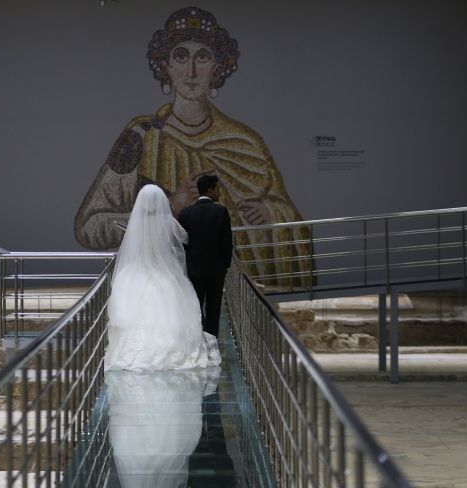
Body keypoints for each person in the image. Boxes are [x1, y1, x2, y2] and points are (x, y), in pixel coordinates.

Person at [74, 6, 312, 291]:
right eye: (181, 56)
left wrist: (270, 213)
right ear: (166, 67)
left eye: (203, 56)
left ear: (218, 67)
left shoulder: (246, 142)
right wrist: (170, 207)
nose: (191, 71)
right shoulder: (141, 137)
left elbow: (289, 216)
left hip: (234, 288)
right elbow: (90, 225)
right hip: (160, 285)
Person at [104, 183, 220, 372]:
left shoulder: (136, 224)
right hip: (165, 272)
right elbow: (184, 238)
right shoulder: (168, 222)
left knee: (136, 312)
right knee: (171, 306)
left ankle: (131, 351)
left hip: (137, 272)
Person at [178, 174, 232, 338]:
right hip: (216, 269)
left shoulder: (186, 213)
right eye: (218, 188)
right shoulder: (221, 212)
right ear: (210, 190)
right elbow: (226, 242)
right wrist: (226, 265)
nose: (220, 192)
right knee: (214, 307)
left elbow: (183, 242)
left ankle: (198, 337)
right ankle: (212, 340)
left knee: (195, 306)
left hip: (194, 269)